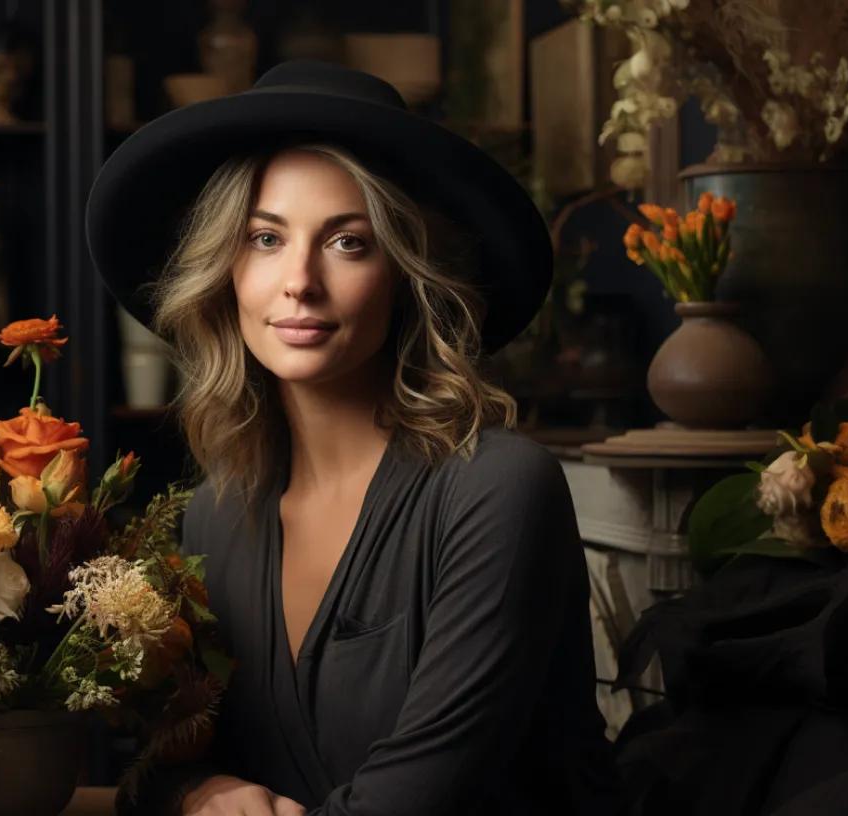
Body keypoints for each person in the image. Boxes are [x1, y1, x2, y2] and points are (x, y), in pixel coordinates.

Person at [86, 60, 622, 816]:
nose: (300, 280)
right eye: (266, 238)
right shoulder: (214, 513)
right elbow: (157, 767)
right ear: (226, 271)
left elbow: (421, 797)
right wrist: (201, 791)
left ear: (407, 276)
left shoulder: (497, 489)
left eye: (348, 243)